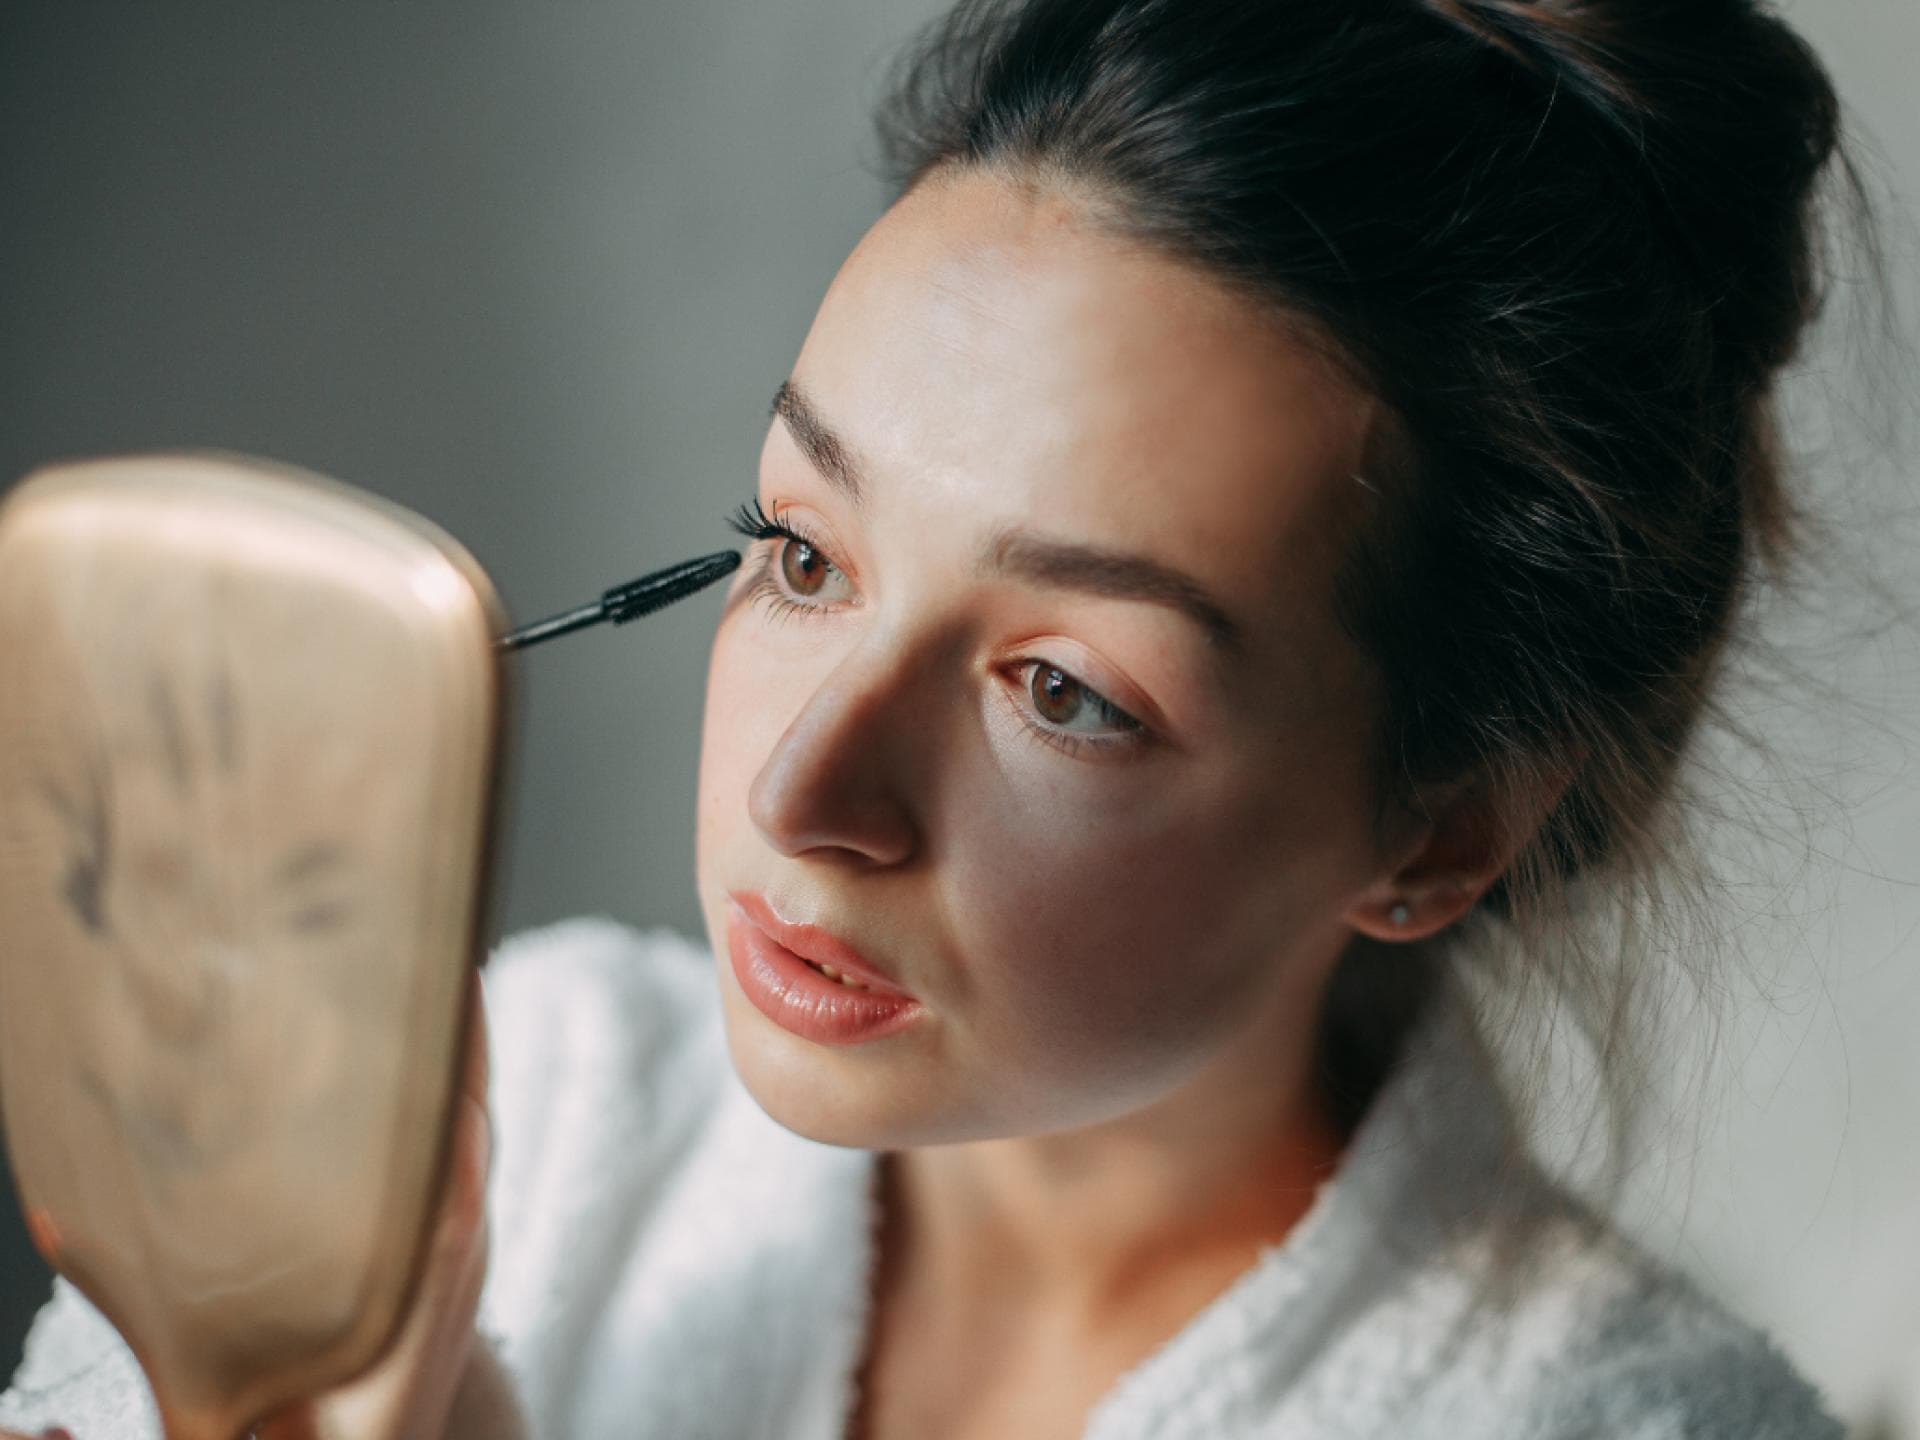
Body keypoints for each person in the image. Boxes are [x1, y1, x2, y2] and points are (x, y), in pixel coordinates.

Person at [1, 0, 1886, 1434]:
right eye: (803, 555)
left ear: (1441, 821)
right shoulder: (519, 1106)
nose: (806, 788)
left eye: (1064, 691)